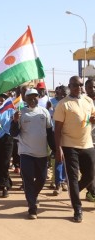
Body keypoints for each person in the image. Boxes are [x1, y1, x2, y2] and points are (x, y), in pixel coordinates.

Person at [54, 76, 95, 223]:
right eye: (75, 85)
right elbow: (57, 129)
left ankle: (74, 192)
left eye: (80, 85)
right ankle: (78, 209)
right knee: (72, 178)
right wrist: (58, 149)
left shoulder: (88, 101)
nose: (79, 88)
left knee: (90, 176)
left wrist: (93, 120)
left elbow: (92, 118)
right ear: (70, 86)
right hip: (69, 145)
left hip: (87, 144)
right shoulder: (63, 104)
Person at [10, 88, 55, 220]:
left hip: (41, 153)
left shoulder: (44, 112)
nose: (33, 99)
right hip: (26, 153)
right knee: (28, 179)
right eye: (30, 97)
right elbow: (13, 133)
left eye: (35, 97)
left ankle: (32, 196)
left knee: (42, 178)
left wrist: (55, 150)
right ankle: (32, 207)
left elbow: (50, 133)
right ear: (26, 99)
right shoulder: (20, 113)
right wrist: (14, 121)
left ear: (38, 98)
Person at [49, 86, 68, 195]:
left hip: (69, 135)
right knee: (58, 158)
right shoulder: (53, 104)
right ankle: (58, 184)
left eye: (64, 95)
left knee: (67, 159)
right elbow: (51, 118)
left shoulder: (71, 104)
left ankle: (65, 181)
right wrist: (50, 109)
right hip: (56, 134)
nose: (62, 96)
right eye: (60, 94)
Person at [84, 78, 95, 202]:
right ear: (86, 89)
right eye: (90, 87)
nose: (93, 89)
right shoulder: (83, 101)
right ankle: (91, 191)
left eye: (94, 87)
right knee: (90, 169)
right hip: (87, 140)